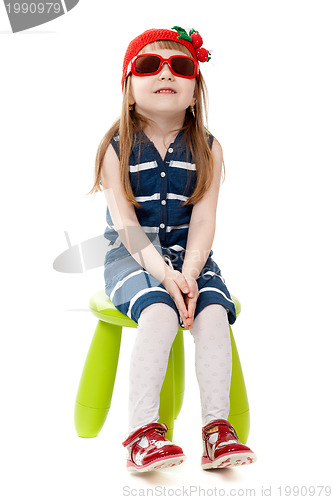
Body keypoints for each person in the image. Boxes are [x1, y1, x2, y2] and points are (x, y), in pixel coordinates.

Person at [89, 25, 256, 472]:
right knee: (160, 311)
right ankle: (142, 433)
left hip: (193, 255)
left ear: (195, 92)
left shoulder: (209, 148)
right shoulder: (115, 148)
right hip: (133, 255)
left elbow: (204, 220)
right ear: (129, 90)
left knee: (216, 312)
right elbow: (126, 226)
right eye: (149, 65)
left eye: (181, 66)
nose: (166, 73)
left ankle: (217, 430)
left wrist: (191, 272)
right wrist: (165, 277)